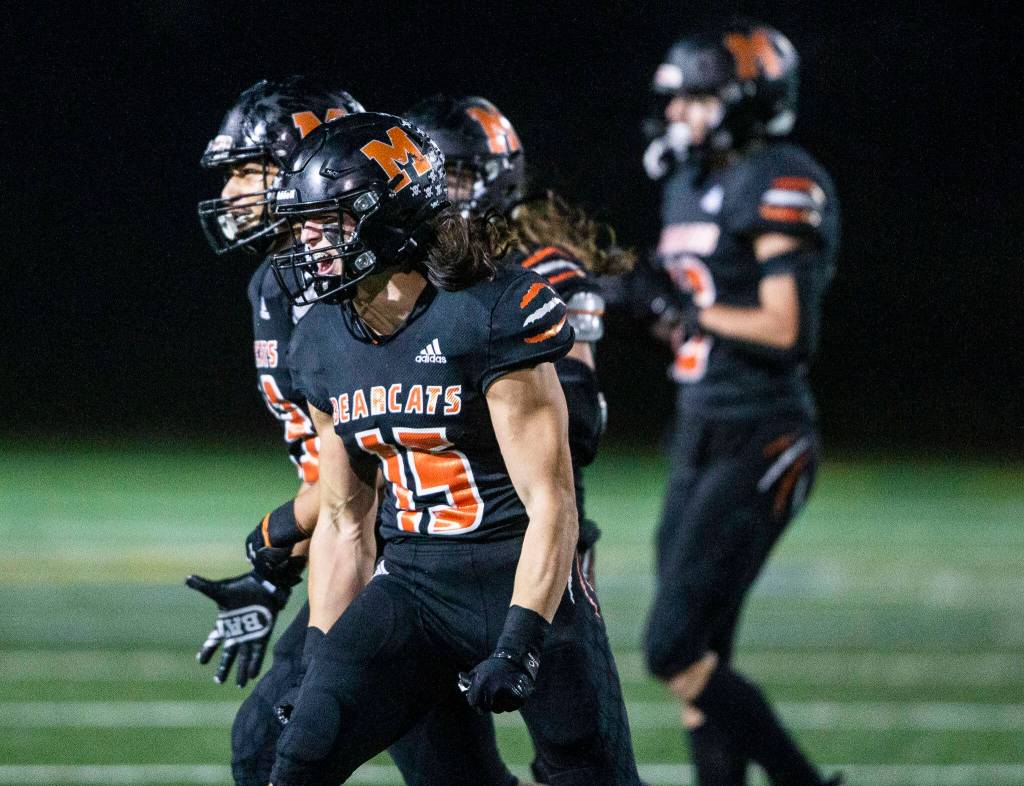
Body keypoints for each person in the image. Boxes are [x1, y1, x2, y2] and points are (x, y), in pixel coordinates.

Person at [267, 111, 641, 786]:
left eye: (328, 220)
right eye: (302, 223)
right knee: (300, 753)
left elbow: (551, 502)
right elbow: (345, 520)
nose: (309, 241)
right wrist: (320, 650)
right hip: (411, 580)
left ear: (392, 213)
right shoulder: (320, 340)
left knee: (588, 773)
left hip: (514, 570)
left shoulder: (488, 309)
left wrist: (524, 640)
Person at [399, 94, 636, 785]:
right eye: (427, 175)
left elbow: (583, 422)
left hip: (534, 541)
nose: (439, 194)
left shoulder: (544, 269)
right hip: (426, 551)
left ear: (497, 177)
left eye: (456, 177)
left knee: (585, 770)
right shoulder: (406, 272)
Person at [630, 19, 841, 786]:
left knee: (670, 646)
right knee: (700, 652)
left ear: (745, 99)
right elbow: (691, 325)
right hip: (697, 431)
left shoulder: (783, 176)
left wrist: (682, 308)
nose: (680, 113)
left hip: (762, 432)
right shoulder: (686, 185)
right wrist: (638, 307)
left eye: (697, 98)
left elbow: (785, 331)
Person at [186, 76, 365, 786]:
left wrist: (273, 540)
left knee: (267, 753)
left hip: (413, 560)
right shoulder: (276, 281)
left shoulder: (349, 282)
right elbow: (328, 474)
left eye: (246, 170)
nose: (231, 192)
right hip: (360, 547)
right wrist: (279, 572)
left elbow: (365, 470)